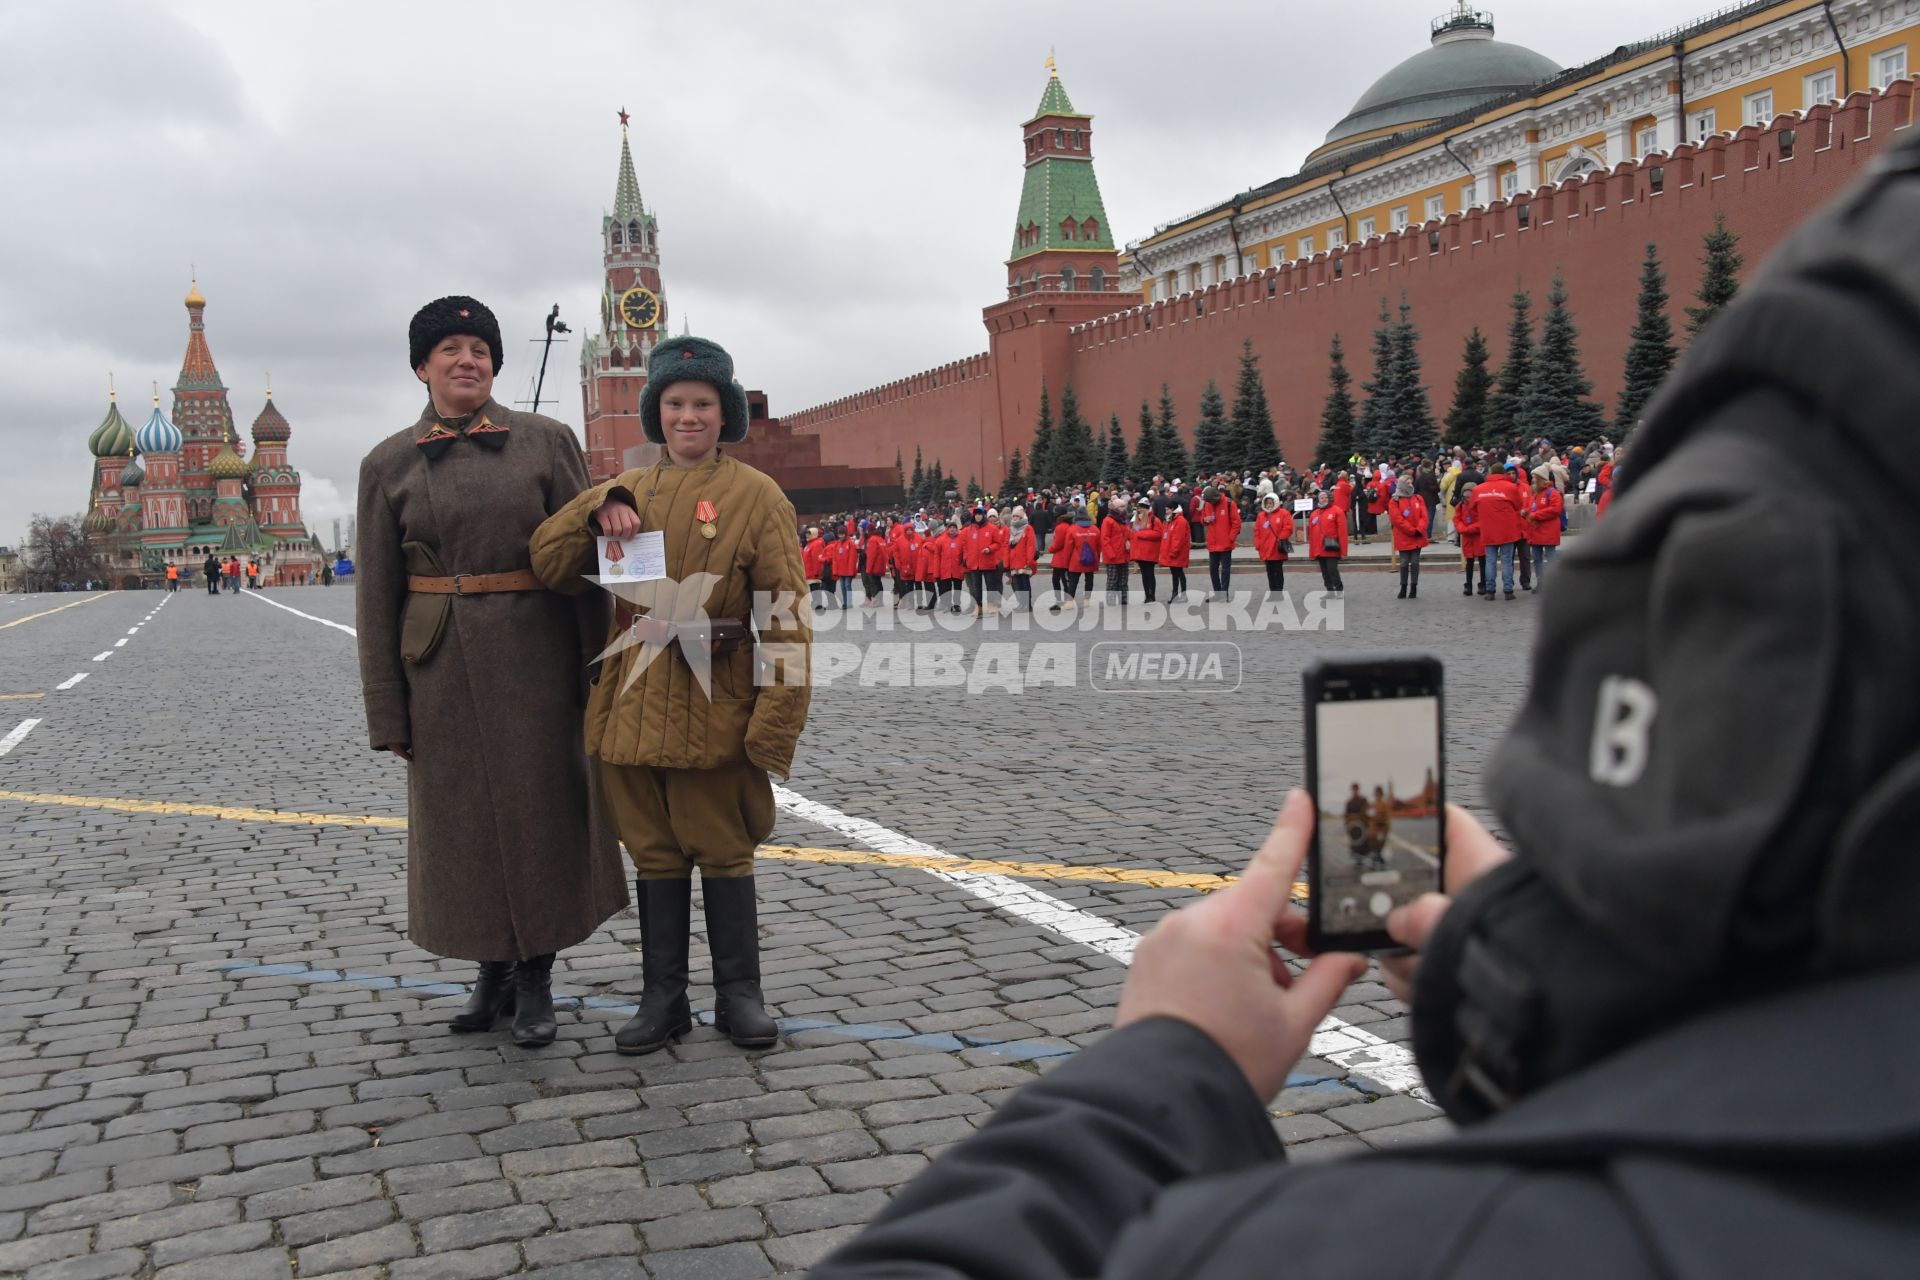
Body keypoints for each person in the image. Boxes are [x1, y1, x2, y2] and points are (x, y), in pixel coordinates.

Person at [356, 295, 627, 1049]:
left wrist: (594, 674)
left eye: (479, 349)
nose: (466, 360)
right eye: (449, 349)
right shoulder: (387, 463)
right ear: (422, 367)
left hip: (536, 663)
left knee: (542, 815)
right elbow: (377, 595)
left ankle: (536, 974)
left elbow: (589, 558)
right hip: (437, 669)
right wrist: (389, 710)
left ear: (495, 365)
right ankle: (491, 972)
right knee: (462, 829)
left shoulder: (546, 441)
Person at [530, 334, 811, 1055]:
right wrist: (597, 512)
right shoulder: (627, 494)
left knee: (722, 851)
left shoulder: (757, 496)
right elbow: (547, 560)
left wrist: (774, 725)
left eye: (705, 405)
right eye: (677, 404)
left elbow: (784, 613)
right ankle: (664, 999)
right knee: (653, 854)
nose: (690, 417)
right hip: (630, 700)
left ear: (726, 416)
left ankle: (739, 994)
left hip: (716, 699)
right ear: (657, 414)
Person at [1470, 465, 1525, 601]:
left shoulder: (1478, 489)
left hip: (1488, 529)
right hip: (1507, 530)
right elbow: (1519, 505)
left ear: (1490, 472)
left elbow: (1472, 508)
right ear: (1503, 473)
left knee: (1490, 561)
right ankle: (1508, 590)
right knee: (1506, 561)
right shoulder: (1511, 487)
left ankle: (1490, 591)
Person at [1387, 475, 1430, 600]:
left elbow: (1424, 516)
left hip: (1417, 535)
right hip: (1404, 536)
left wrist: (1419, 529)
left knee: (1415, 562)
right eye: (1407, 482)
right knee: (1404, 562)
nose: (1410, 484)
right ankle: (1403, 586)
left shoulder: (1418, 498)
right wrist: (1411, 530)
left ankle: (1414, 586)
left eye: (1411, 481)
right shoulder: (1395, 500)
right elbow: (1397, 519)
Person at [1197, 485, 1240, 600]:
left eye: (1211, 501)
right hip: (1213, 543)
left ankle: (1224, 593)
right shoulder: (1207, 504)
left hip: (1225, 544)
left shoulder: (1229, 503)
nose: (1209, 503)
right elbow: (1202, 518)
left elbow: (1236, 523)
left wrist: (1230, 538)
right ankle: (1218, 592)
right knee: (1212, 569)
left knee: (1225, 570)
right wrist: (1204, 520)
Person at [1525, 466, 1564, 586]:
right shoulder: (1536, 493)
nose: (1533, 480)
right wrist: (1525, 513)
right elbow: (1530, 508)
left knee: (1550, 558)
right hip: (1536, 531)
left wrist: (1535, 515)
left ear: (1541, 479)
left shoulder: (1552, 492)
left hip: (1548, 531)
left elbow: (1556, 509)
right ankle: (1540, 582)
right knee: (1537, 560)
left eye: (1535, 478)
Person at [1306, 489, 1346, 595]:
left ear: (1329, 498)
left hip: (1331, 546)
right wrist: (1312, 551)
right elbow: (1311, 534)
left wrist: (1343, 550)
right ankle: (1330, 590)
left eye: (1325, 497)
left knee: (1332, 570)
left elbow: (1342, 531)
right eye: (1321, 497)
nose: (1323, 499)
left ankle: (1338, 590)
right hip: (1319, 548)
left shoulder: (1337, 511)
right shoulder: (1314, 513)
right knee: (1324, 572)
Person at [1252, 493, 1292, 595]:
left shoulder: (1284, 513)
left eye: (1271, 502)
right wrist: (1258, 544)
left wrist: (1280, 538)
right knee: (1270, 571)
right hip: (1265, 548)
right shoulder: (1261, 516)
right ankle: (1273, 591)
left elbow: (1288, 528)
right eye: (1267, 503)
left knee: (1278, 570)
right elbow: (1257, 531)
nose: (1269, 505)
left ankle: (1279, 591)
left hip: (1277, 547)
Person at [1157, 496, 1192, 603]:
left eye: (1168, 509)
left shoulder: (1180, 521)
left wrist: (1173, 552)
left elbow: (1178, 539)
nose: (1166, 511)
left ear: (1173, 509)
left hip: (1177, 553)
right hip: (1172, 552)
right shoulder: (1169, 520)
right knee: (1175, 573)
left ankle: (1183, 595)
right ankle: (1175, 594)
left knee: (1179, 573)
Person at [1099, 494, 1132, 606]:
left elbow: (1128, 534)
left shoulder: (1123, 520)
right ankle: (1111, 600)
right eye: (1121, 507)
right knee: (1112, 581)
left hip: (1124, 555)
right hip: (1113, 556)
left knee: (1124, 580)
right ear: (1115, 508)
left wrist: (1128, 540)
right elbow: (1105, 539)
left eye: (1124, 506)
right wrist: (1111, 554)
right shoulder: (1108, 521)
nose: (1124, 509)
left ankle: (1123, 600)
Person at [1005, 506, 1037, 613]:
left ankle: (1027, 604)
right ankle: (1022, 604)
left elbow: (1030, 546)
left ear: (1022, 517)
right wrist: (1008, 562)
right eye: (1013, 516)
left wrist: (1028, 561)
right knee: (1018, 585)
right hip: (1014, 562)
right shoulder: (1012, 529)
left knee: (1024, 583)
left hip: (1023, 561)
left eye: (1017, 516)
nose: (1014, 518)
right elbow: (1008, 547)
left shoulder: (1027, 528)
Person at [1456, 481, 1485, 596]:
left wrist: (1467, 529)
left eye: (1470, 495)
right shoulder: (1460, 505)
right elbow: (1456, 519)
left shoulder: (1480, 505)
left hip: (1479, 537)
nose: (1468, 498)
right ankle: (1468, 585)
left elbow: (1483, 521)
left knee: (1483, 562)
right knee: (1469, 563)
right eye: (1466, 496)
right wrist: (1462, 528)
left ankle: (1483, 584)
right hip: (1468, 538)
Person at [1130, 501, 1162, 603]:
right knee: (1144, 575)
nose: (1139, 511)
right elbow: (1134, 534)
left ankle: (1152, 595)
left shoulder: (1154, 520)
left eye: (1141, 508)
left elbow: (1158, 534)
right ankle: (1147, 595)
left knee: (1150, 574)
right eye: (1138, 509)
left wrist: (1142, 534)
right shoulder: (1137, 520)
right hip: (1140, 552)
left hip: (1150, 552)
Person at [861, 520, 888, 608]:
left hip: (874, 565)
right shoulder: (880, 538)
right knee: (878, 583)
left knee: (874, 583)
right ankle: (880, 601)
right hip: (880, 564)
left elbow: (871, 556)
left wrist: (868, 569)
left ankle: (875, 601)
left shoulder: (872, 540)